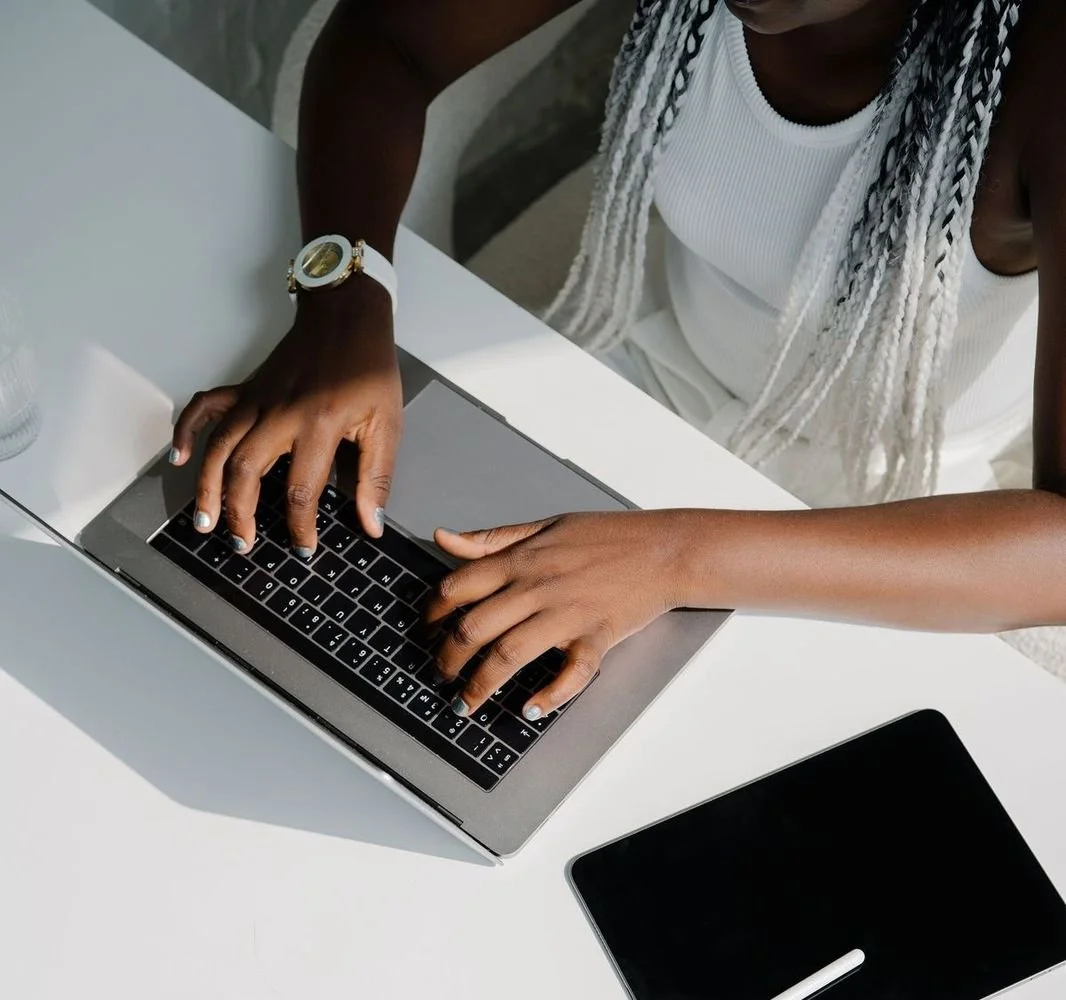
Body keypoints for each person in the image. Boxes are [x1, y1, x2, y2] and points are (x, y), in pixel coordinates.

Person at [169, 0, 1066, 727]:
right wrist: (346, 294)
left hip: (903, 509)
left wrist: (677, 556)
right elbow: (391, 35)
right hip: (648, 377)